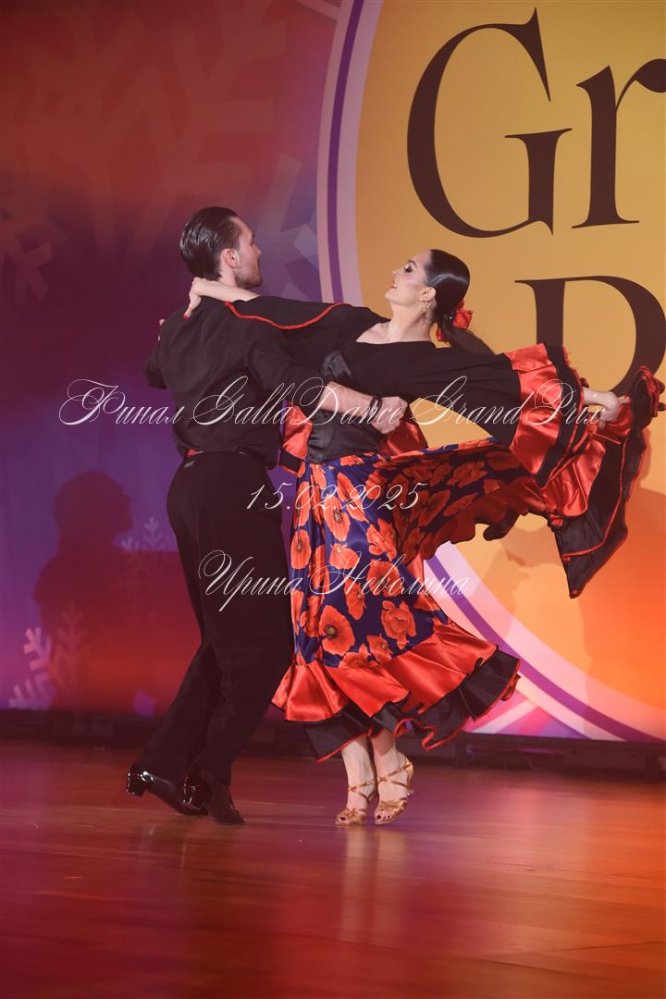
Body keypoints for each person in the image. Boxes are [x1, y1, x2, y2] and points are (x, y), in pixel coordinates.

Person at [187, 248, 664, 826]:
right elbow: (274, 308)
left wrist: (598, 400)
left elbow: (508, 384)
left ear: (430, 294)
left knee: (364, 624)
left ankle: (386, 759)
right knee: (315, 629)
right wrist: (206, 290)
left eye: (409, 269)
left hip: (363, 498)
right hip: (315, 497)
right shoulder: (355, 323)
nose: (396, 272)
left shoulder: (426, 362)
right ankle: (359, 774)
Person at [127, 207, 407, 824]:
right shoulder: (247, 324)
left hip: (190, 490)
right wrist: (372, 407)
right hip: (230, 489)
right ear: (229, 258)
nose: (259, 252)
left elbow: (154, 371)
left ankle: (169, 764)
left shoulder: (179, 328)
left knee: (225, 643)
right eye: (250, 243)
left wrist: (184, 314)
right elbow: (297, 388)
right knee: (267, 647)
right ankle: (205, 770)